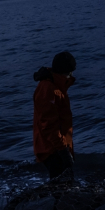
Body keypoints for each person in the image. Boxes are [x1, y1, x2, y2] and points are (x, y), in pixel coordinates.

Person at [33, 51, 76, 180]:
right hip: (52, 149)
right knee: (61, 186)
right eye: (70, 72)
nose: (71, 75)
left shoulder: (56, 86)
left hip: (58, 146)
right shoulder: (49, 89)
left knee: (65, 185)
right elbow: (49, 126)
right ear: (66, 72)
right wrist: (63, 151)